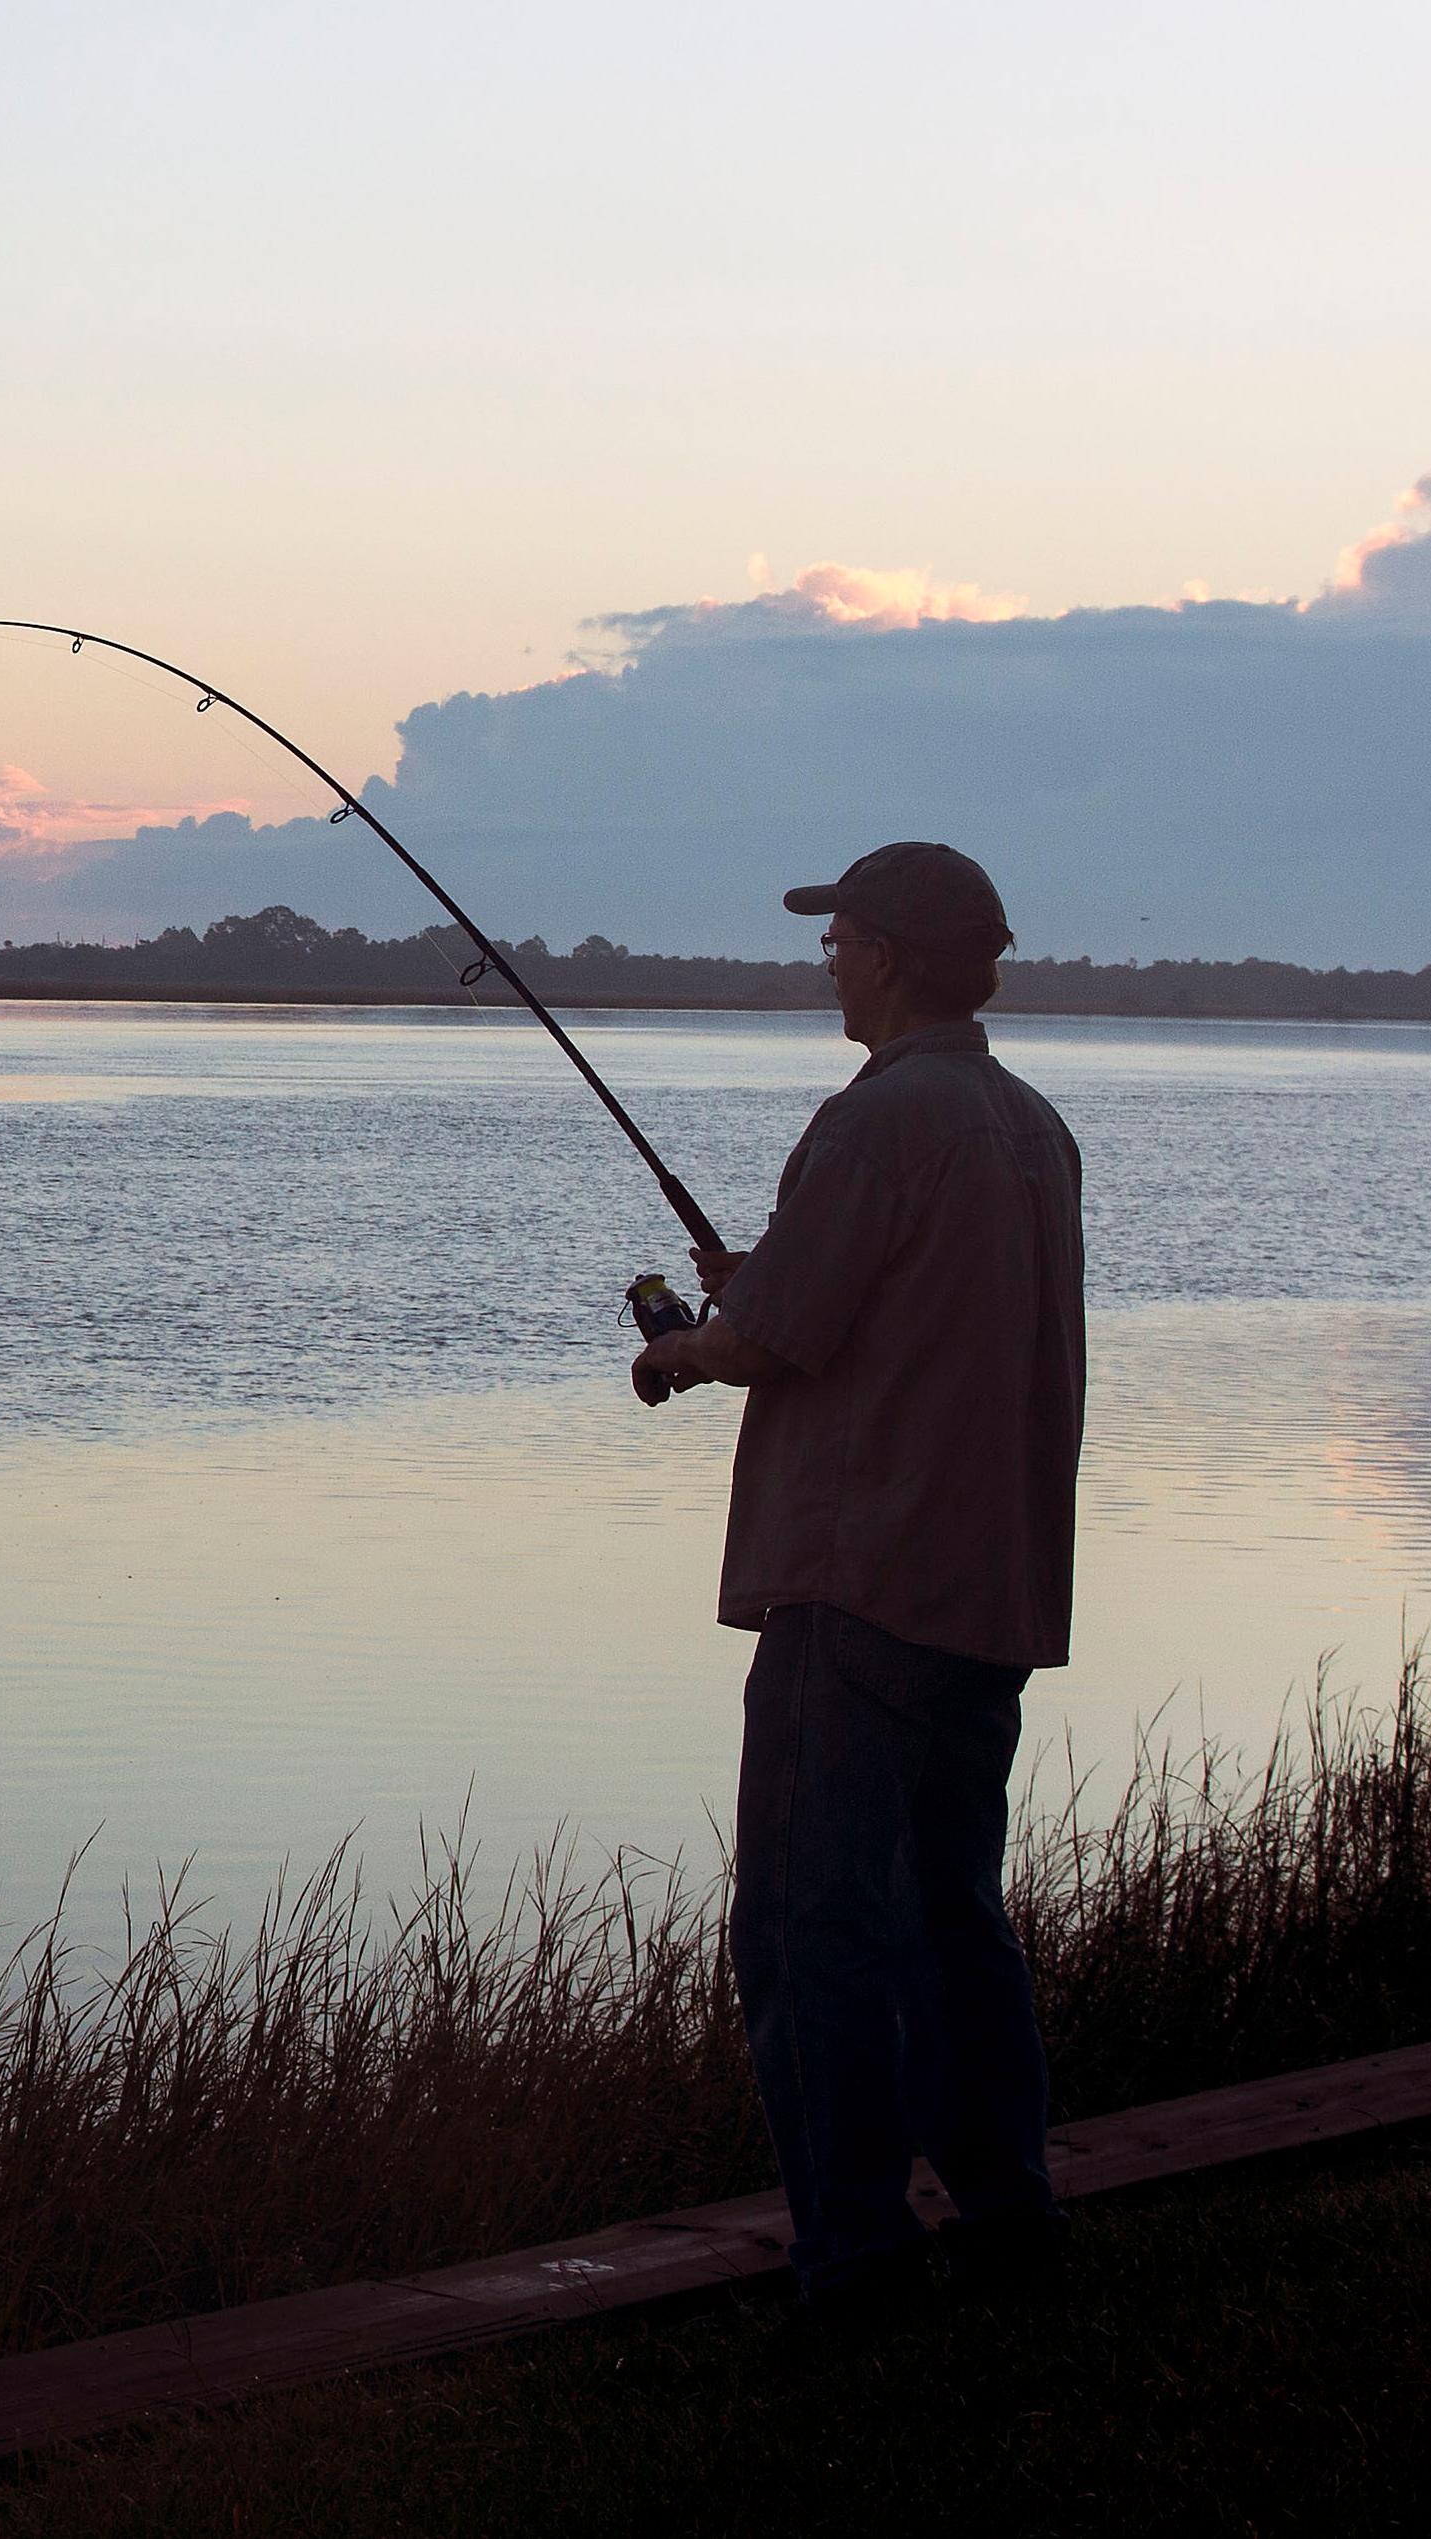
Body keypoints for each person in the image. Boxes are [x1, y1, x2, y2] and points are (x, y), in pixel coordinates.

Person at [630, 840, 1087, 2311]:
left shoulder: (878, 1121)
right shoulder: (1027, 1124)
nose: (826, 962)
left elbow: (774, 1342)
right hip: (989, 1587)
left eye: (838, 942)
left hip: (858, 1586)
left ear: (885, 955)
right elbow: (886, 1301)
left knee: (806, 1931)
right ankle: (1011, 2216)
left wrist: (685, 1347)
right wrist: (756, 1286)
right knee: (954, 1918)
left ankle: (856, 2255)